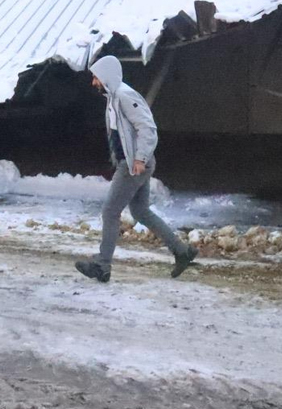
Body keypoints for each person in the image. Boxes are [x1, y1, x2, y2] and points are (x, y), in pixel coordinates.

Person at [75, 55, 197, 283]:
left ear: (106, 77)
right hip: (134, 162)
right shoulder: (113, 98)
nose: (93, 83)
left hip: (134, 165)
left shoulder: (123, 96)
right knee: (140, 211)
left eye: (96, 78)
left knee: (110, 211)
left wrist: (139, 159)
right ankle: (182, 251)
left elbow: (147, 128)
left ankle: (102, 265)